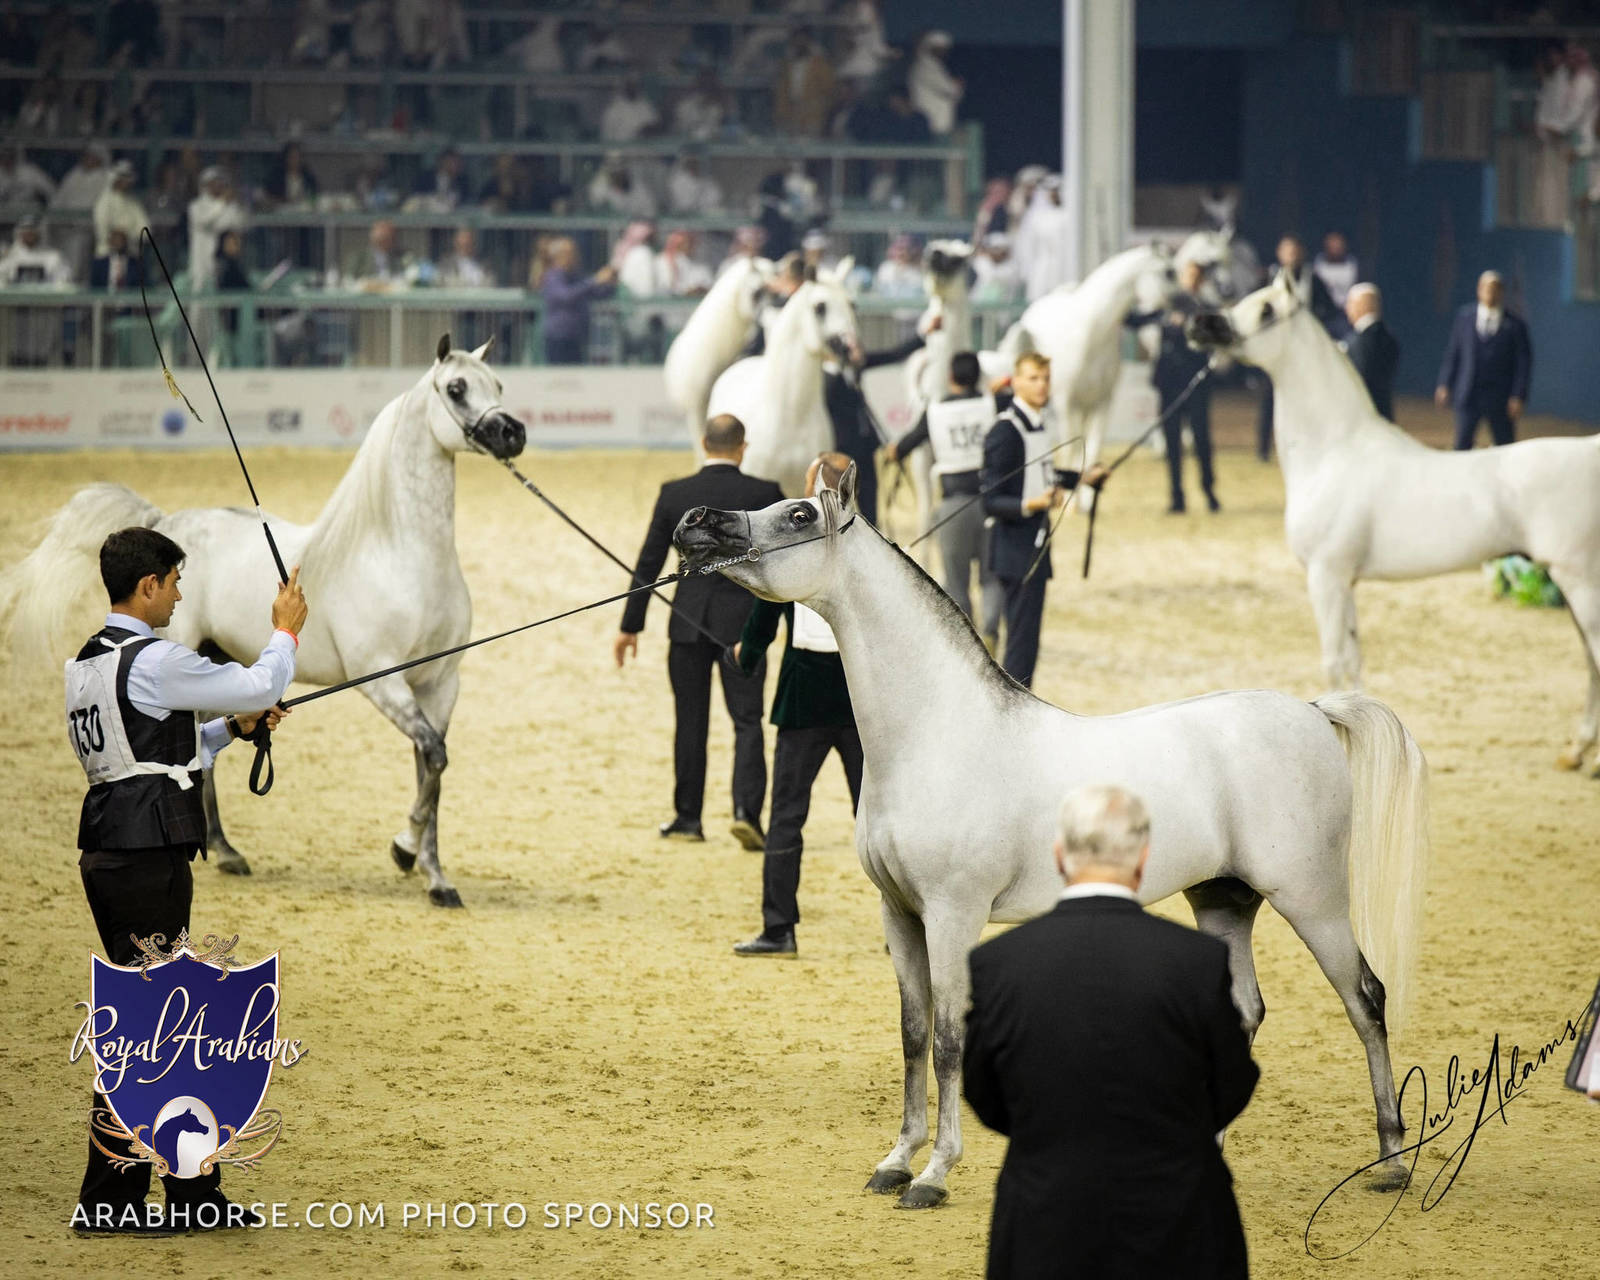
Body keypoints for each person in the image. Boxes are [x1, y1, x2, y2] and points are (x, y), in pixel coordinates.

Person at [69, 528, 307, 1233]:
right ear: (147, 587)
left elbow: (150, 754)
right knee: (151, 1033)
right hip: (148, 852)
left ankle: (180, 1197)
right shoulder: (157, 659)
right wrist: (284, 633)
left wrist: (231, 732)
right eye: (174, 581)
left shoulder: (89, 662)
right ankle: (115, 1203)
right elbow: (264, 678)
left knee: (155, 1027)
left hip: (113, 841)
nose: (179, 594)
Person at [963, 783, 1258, 1279]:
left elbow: (985, 1095)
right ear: (1143, 859)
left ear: (1059, 856)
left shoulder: (997, 964)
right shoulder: (1199, 960)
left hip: (1046, 1220)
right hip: (1179, 1219)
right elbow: (1232, 1085)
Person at [615, 415, 783, 848]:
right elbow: (783, 566)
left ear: (704, 443)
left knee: (690, 723)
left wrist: (630, 625)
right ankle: (747, 813)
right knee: (747, 721)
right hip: (744, 626)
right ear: (742, 447)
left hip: (687, 623)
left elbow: (648, 563)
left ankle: (688, 819)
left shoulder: (675, 494)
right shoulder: (764, 494)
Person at [730, 452, 862, 957]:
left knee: (787, 815)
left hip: (805, 693)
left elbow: (765, 614)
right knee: (877, 816)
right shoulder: (873, 547)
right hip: (857, 694)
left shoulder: (792, 548)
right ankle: (906, 927)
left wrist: (746, 654)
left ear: (815, 490)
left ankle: (779, 928)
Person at [980, 353, 1105, 689]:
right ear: (1016, 381)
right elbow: (990, 500)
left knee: (1028, 644)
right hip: (1015, 552)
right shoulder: (1006, 431)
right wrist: (1033, 503)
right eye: (1033, 378)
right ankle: (1013, 709)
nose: (1042, 385)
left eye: (1046, 378)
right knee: (1019, 647)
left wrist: (1082, 477)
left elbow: (1041, 474)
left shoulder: (1036, 424)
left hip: (1033, 549)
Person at [887, 351, 1002, 649]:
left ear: (951, 377)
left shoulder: (935, 411)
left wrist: (893, 451)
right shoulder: (993, 403)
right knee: (990, 578)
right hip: (992, 503)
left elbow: (904, 446)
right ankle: (991, 631)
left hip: (954, 505)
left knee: (956, 581)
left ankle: (969, 643)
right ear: (978, 377)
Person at [822, 318, 932, 527]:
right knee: (841, 505)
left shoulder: (853, 369)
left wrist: (922, 336)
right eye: (851, 345)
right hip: (841, 449)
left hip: (864, 446)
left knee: (870, 504)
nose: (859, 348)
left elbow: (894, 354)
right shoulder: (830, 378)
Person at [1128, 259, 1217, 514]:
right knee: (1172, 441)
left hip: (1195, 384)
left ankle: (1208, 490)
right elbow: (1136, 320)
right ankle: (1177, 495)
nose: (1189, 280)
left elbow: (1213, 341)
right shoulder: (1167, 307)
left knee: (1201, 439)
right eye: (1186, 275)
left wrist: (1188, 324)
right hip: (1169, 384)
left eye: (1194, 276)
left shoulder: (1205, 309)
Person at [1256, 234, 1339, 460]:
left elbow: (1330, 309)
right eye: (1287, 251)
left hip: (1305, 350)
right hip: (1277, 350)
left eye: (1295, 251)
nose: (1291, 256)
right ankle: (1263, 448)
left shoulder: (1313, 279)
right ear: (1279, 254)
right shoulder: (1270, 278)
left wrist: (1312, 320)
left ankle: (1309, 445)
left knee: (1309, 397)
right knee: (1270, 399)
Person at [1435, 269, 1533, 450]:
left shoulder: (1515, 325)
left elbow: (1523, 364)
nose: (1490, 293)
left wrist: (1518, 395)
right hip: (1469, 393)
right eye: (1486, 288)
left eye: (1495, 289)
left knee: (1505, 446)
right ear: (1479, 290)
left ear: (1502, 292)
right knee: (1462, 445)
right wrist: (1444, 383)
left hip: (1500, 397)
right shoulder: (1465, 318)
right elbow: (1454, 354)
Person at [535, 236, 615, 365]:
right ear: (559, 255)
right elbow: (566, 296)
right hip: (558, 336)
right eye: (570, 253)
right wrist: (594, 281)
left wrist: (609, 282)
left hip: (576, 335)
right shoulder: (552, 276)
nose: (574, 256)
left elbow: (595, 293)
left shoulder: (576, 275)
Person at [1340, 282, 1400, 422]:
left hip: (1363, 419)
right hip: (1384, 415)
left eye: (1350, 303)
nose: (1347, 309)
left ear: (1363, 305)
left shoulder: (1359, 341)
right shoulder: (1389, 339)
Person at [775, 29, 836, 137]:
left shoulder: (820, 65)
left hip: (813, 116)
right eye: (797, 41)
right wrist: (782, 115)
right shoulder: (787, 65)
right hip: (792, 115)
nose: (799, 44)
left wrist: (821, 111)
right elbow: (782, 93)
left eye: (803, 40)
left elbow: (829, 91)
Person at [908, 29, 963, 136]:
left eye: (944, 48)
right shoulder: (926, 67)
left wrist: (955, 88)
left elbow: (955, 94)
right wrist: (956, 86)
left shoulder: (934, 67)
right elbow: (951, 90)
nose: (943, 51)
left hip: (938, 125)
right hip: (932, 125)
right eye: (938, 48)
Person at [1312, 230, 1359, 324]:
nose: (1336, 247)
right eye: (1333, 243)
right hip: (1323, 315)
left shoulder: (1353, 265)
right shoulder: (1317, 265)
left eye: (1339, 244)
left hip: (1346, 315)